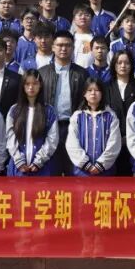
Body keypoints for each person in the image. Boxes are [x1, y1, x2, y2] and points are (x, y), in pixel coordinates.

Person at [38, 31, 90, 174]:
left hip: (73, 128)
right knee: (51, 173)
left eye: (67, 45)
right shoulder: (42, 73)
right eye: (60, 45)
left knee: (72, 172)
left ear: (73, 48)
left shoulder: (82, 74)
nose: (63, 49)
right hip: (49, 128)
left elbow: (86, 102)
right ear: (53, 47)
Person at [5, 71, 60, 176]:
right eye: (27, 84)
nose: (31, 87)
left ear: (40, 85)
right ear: (23, 86)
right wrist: (19, 160)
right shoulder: (14, 110)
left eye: (35, 83)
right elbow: (10, 137)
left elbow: (52, 139)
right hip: (18, 169)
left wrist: (39, 161)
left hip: (41, 169)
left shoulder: (49, 111)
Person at [65, 78, 121, 176]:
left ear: (102, 93)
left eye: (97, 90)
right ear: (84, 94)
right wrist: (85, 164)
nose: (93, 93)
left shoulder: (111, 116)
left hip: (105, 172)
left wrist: (101, 165)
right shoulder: (77, 116)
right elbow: (72, 143)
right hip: (81, 173)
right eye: (89, 90)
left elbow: (114, 143)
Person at [106, 49, 135, 176]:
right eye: (119, 62)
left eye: (127, 63)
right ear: (113, 65)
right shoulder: (106, 87)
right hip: (111, 143)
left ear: (131, 65)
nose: (123, 66)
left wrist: (130, 137)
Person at [71, 4, 96, 68]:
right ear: (74, 19)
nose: (83, 17)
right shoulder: (69, 38)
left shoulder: (96, 38)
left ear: (92, 19)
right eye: (80, 15)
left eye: (87, 15)